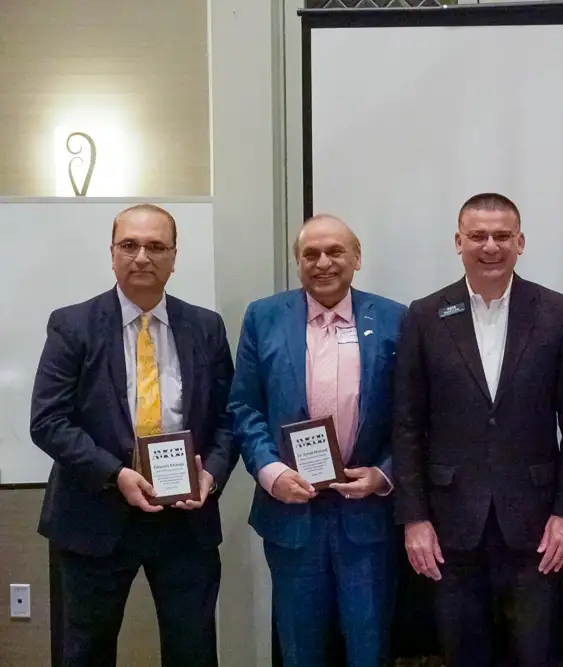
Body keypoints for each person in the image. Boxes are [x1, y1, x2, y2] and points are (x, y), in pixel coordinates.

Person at [392, 192, 563, 667]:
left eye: (502, 236)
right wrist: (414, 519)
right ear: (458, 241)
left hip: (537, 530)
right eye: (478, 236)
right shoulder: (424, 315)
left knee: (534, 655)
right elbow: (406, 425)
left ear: (520, 242)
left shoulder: (556, 311)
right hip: (449, 527)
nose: (490, 246)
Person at [29, 204, 237, 667]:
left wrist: (212, 474)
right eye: (130, 245)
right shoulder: (72, 324)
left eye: (156, 246)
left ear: (174, 257)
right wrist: (115, 474)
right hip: (94, 514)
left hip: (185, 519)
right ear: (112, 254)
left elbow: (228, 417)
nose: (142, 256)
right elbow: (48, 421)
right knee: (85, 653)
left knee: (194, 651)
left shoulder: (206, 326)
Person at [229, 214, 406, 667]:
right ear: (298, 262)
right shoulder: (263, 317)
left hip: (366, 517)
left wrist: (384, 474)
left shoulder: (394, 319)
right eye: (311, 254)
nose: (323, 262)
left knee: (369, 647)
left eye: (335, 252)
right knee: (299, 648)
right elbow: (244, 406)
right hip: (291, 515)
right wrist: (271, 472)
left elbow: (413, 416)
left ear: (357, 258)